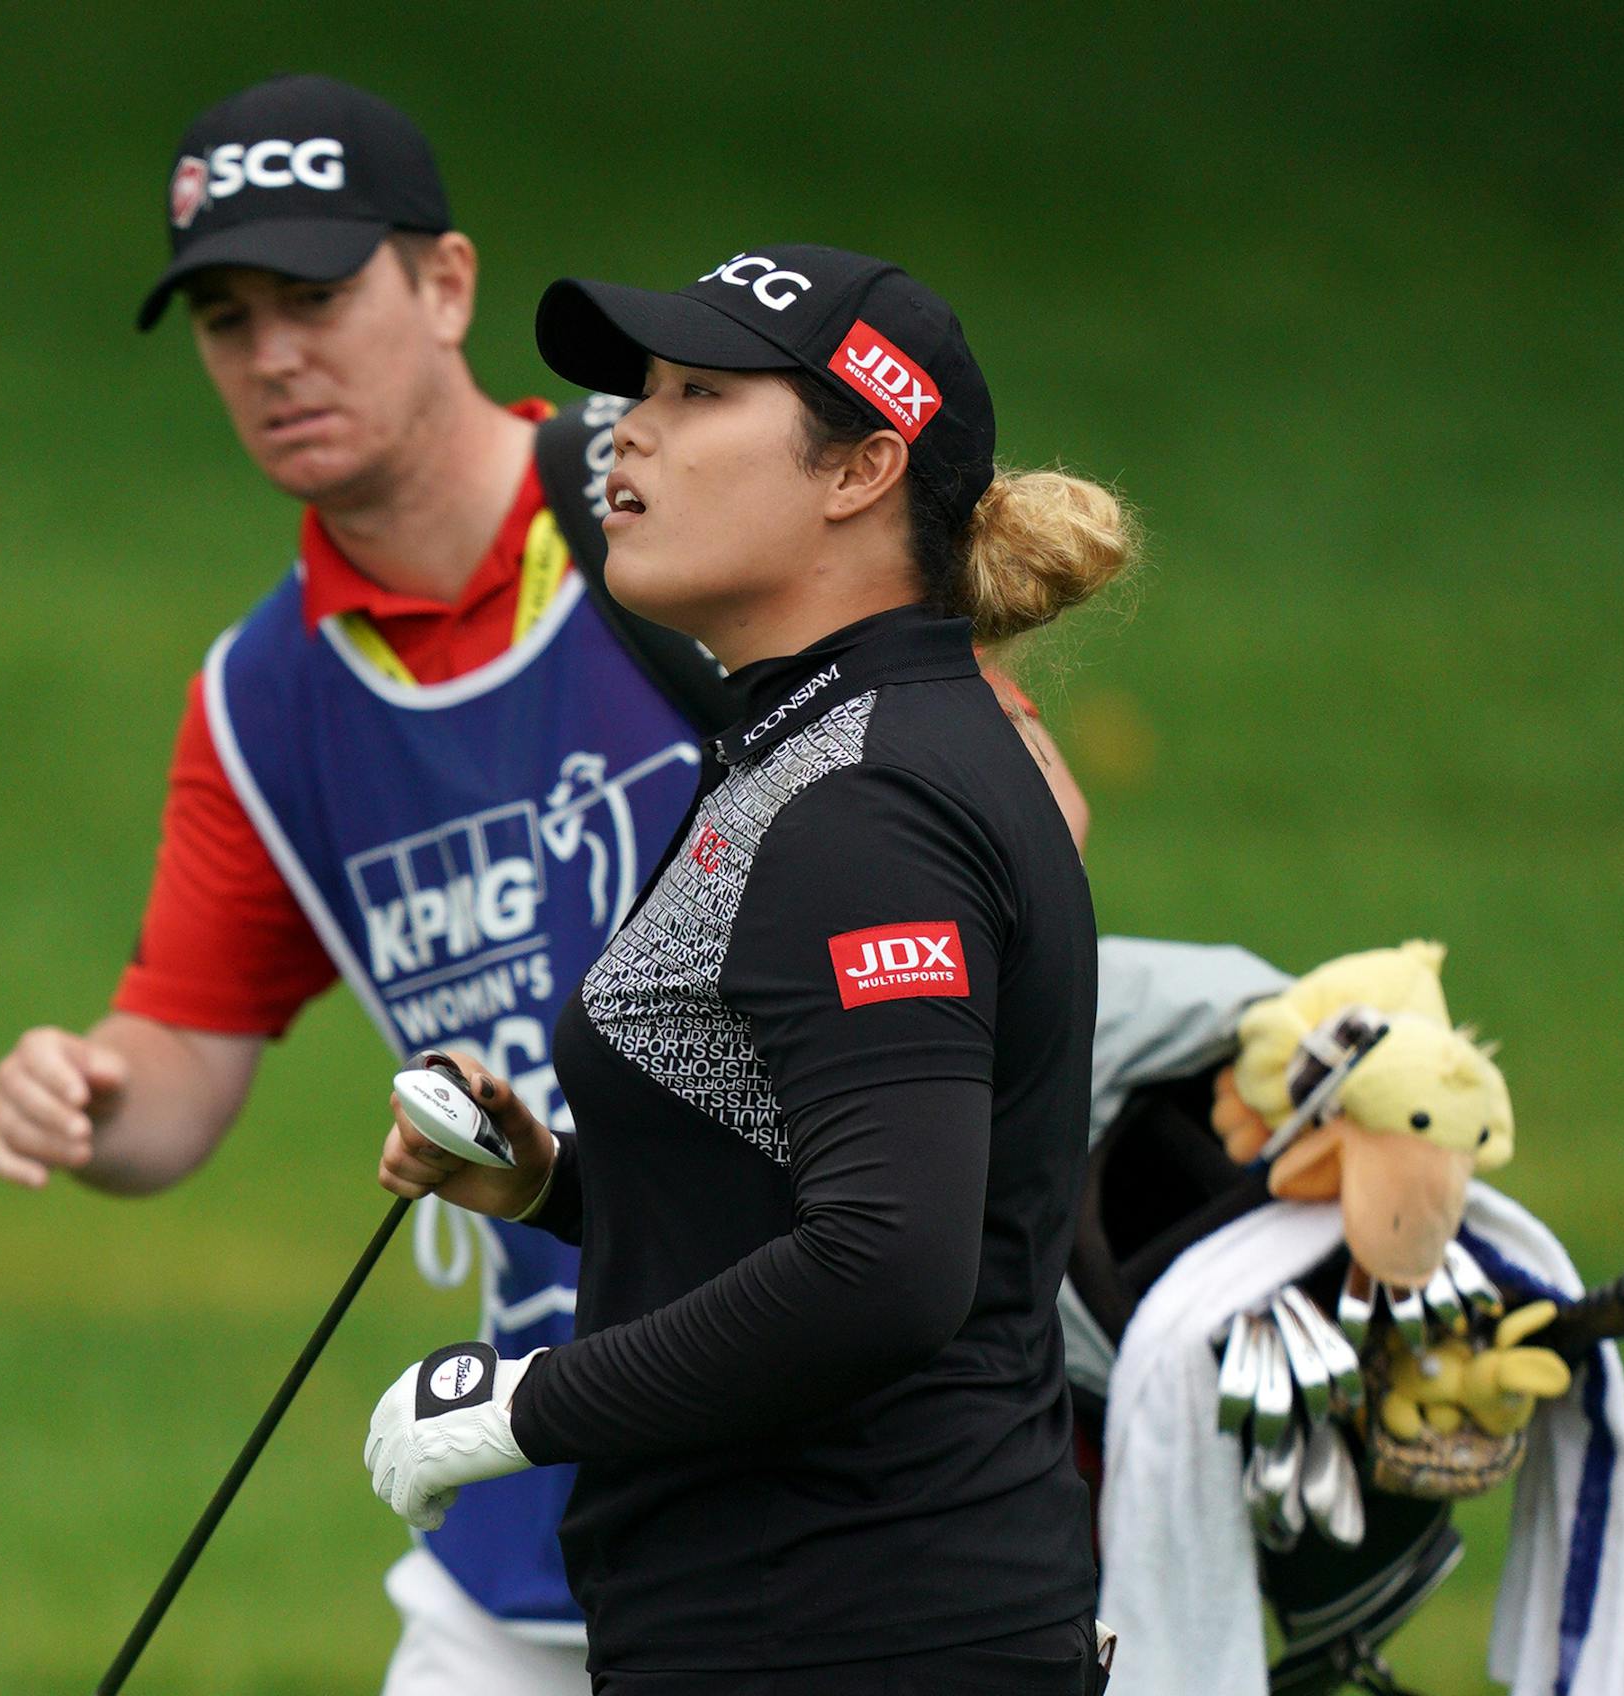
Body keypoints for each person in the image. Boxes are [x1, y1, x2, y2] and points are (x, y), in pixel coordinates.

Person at [0, 73, 1088, 1696]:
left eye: (314, 295)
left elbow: (981, 904)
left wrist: (527, 1399)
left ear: (444, 286)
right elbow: (177, 1071)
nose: (274, 352)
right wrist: (90, 1094)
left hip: (846, 1531)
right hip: (574, 1517)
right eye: (226, 318)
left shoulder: (704, 576)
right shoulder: (263, 695)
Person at [365, 246, 1136, 1694]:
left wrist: (529, 1402)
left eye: (699, 391)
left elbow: (891, 1264)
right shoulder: (815, 745)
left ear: (859, 470)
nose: (628, 428)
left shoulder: (870, 804)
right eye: (639, 389)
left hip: (859, 1633)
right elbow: (810, 1185)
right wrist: (556, 1183)